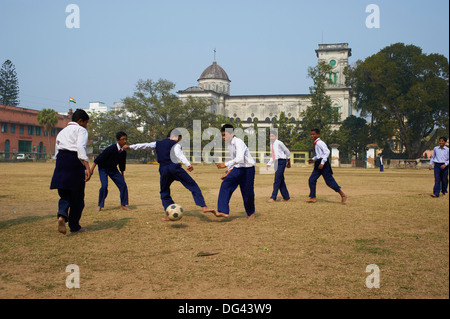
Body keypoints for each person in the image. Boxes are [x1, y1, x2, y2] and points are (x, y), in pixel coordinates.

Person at [123, 129, 216, 220]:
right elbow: (179, 154)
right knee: (192, 185)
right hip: (174, 167)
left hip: (163, 169)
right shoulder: (176, 144)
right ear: (176, 136)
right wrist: (188, 164)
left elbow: (145, 145)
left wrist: (130, 146)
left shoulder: (157, 143)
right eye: (179, 138)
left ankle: (168, 213)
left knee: (164, 191)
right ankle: (203, 207)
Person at [50, 109, 91, 234]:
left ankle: (62, 215)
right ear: (80, 121)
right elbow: (80, 147)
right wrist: (87, 166)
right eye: (86, 123)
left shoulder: (62, 132)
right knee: (78, 197)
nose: (86, 125)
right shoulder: (81, 130)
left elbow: (57, 150)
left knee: (64, 193)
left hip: (61, 161)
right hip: (74, 161)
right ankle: (74, 225)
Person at [216, 124, 256, 220]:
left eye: (225, 135)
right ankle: (223, 211)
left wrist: (225, 164)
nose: (224, 137)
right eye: (222, 135)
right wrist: (228, 172)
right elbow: (235, 162)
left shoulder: (238, 142)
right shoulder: (230, 146)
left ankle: (251, 213)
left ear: (232, 133)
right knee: (225, 184)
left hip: (248, 169)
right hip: (238, 169)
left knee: (247, 192)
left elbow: (239, 158)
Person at [90, 131, 130, 212]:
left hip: (113, 169)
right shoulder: (111, 149)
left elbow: (122, 165)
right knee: (104, 186)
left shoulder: (123, 152)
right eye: (123, 139)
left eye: (125, 139)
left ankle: (123, 205)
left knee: (123, 185)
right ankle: (100, 205)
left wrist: (122, 176)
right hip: (103, 168)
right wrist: (91, 170)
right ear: (118, 140)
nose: (125, 141)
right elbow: (98, 159)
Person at [306, 128, 347, 204]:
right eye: (311, 134)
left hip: (323, 164)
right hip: (318, 163)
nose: (312, 136)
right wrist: (313, 159)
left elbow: (327, 152)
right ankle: (313, 197)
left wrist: (322, 162)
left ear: (318, 135)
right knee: (311, 180)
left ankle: (343, 195)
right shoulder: (316, 143)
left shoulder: (320, 143)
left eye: (314, 134)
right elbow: (319, 155)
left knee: (329, 182)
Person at [266, 130, 291, 203]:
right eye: (270, 136)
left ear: (276, 136)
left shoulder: (279, 143)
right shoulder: (271, 145)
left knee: (277, 179)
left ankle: (273, 197)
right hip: (276, 162)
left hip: (282, 162)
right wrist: (269, 163)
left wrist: (289, 161)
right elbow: (273, 155)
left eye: (273, 136)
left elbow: (287, 151)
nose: (271, 137)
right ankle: (286, 197)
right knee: (281, 180)